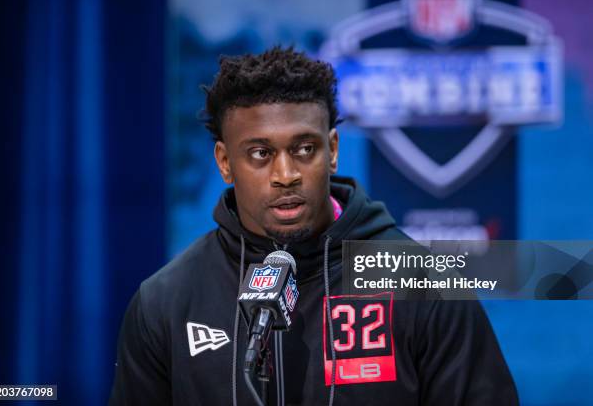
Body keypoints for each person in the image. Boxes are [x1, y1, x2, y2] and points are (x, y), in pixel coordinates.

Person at [109, 47, 518, 405]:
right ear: (224, 162)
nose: (285, 174)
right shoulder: (166, 302)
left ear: (333, 150)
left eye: (305, 149)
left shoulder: (423, 284)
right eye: (260, 153)